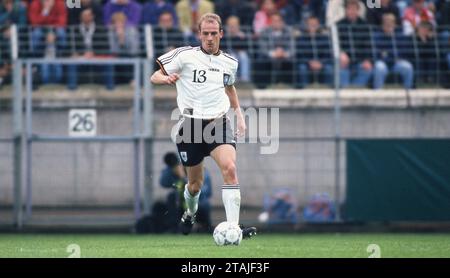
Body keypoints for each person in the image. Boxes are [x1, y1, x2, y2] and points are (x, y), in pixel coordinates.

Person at [150, 13, 256, 239]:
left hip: (218, 123)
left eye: (213, 33)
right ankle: (190, 213)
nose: (209, 38)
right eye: (205, 33)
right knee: (195, 186)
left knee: (230, 169)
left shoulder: (230, 62)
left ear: (221, 34)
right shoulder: (184, 55)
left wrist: (239, 114)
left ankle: (233, 229)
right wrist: (166, 79)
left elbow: (230, 87)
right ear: (199, 34)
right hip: (190, 128)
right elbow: (154, 75)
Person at [159, 152, 213, 233]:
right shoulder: (174, 172)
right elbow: (163, 182)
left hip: (198, 204)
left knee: (204, 203)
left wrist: (184, 178)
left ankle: (205, 227)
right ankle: (175, 227)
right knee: (171, 197)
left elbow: (205, 193)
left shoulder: (201, 171)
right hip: (180, 205)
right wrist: (172, 169)